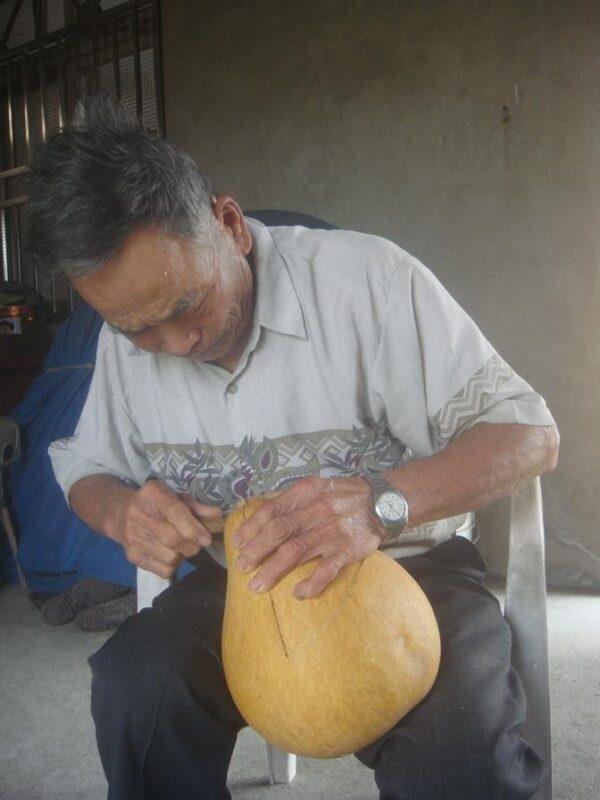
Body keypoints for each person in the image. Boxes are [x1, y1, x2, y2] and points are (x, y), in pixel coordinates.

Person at [25, 95, 559, 800]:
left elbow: (529, 433)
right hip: (241, 589)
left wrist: (381, 502)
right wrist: (124, 512)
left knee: (460, 761)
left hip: (409, 569)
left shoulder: (370, 282)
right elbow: (84, 466)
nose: (175, 344)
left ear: (229, 225)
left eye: (187, 306)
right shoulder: (126, 339)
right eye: (138, 331)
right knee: (136, 691)